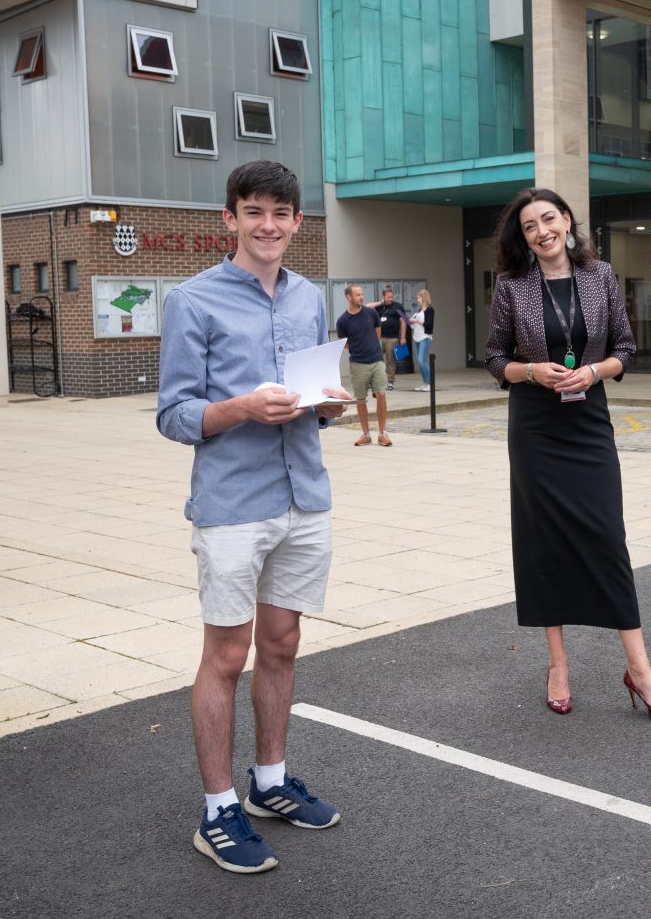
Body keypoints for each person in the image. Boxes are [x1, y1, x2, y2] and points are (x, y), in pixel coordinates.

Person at [157, 160, 352, 875]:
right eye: (253, 211)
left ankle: (269, 783)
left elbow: (310, 396)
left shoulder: (307, 298)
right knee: (227, 656)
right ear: (229, 219)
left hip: (303, 494)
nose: (267, 225)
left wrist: (327, 406)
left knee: (282, 643)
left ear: (298, 223)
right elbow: (173, 415)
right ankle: (216, 811)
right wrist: (241, 407)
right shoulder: (192, 300)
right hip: (233, 504)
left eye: (281, 213)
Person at [484, 187, 651, 722]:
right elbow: (495, 357)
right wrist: (530, 372)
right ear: (522, 237)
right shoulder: (511, 284)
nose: (542, 231)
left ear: (567, 220)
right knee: (543, 540)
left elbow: (625, 350)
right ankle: (558, 664)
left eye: (549, 218)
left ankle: (639, 669)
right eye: (530, 226)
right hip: (535, 423)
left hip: (588, 418)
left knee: (607, 537)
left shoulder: (601, 276)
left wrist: (592, 371)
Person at [336, 284, 392, 446]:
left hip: (376, 360)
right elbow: (344, 343)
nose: (361, 297)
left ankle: (382, 433)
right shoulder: (343, 321)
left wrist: (373, 348)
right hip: (358, 363)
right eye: (357, 295)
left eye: (362, 294)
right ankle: (366, 434)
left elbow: (377, 333)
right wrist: (357, 349)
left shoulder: (371, 313)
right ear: (349, 297)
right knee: (361, 399)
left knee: (381, 394)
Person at [373, 284, 407, 390]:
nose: (391, 299)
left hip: (392, 338)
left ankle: (390, 381)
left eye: (392, 297)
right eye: (388, 297)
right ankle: (375, 381)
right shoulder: (379, 306)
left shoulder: (398, 306)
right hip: (379, 338)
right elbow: (367, 306)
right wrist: (380, 303)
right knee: (376, 360)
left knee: (390, 360)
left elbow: (404, 321)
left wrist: (403, 337)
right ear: (383, 297)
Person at [409, 289, 435, 392]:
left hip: (425, 337)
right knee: (420, 362)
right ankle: (425, 383)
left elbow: (429, 324)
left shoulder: (429, 309)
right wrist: (411, 321)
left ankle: (430, 383)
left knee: (422, 360)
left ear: (424, 298)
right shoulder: (419, 310)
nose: (417, 299)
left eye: (419, 297)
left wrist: (417, 321)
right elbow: (415, 324)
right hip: (417, 337)